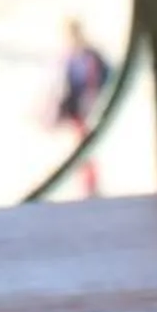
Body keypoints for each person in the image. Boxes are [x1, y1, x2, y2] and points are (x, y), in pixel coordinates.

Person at [52, 19, 112, 197]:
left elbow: (93, 81)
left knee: (84, 146)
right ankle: (88, 186)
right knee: (82, 146)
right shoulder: (74, 54)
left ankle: (91, 186)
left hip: (86, 107)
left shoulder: (87, 55)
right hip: (79, 108)